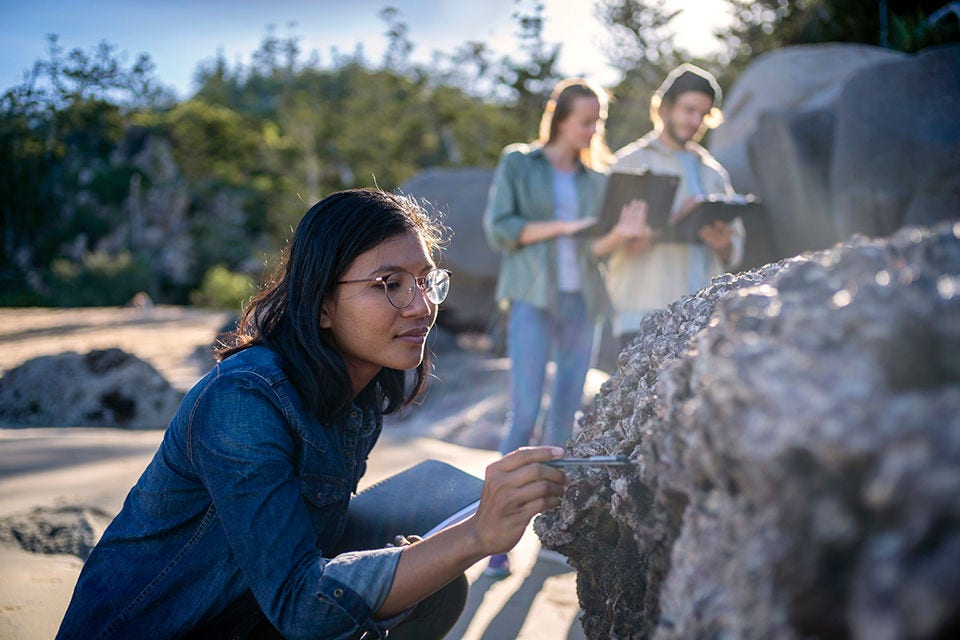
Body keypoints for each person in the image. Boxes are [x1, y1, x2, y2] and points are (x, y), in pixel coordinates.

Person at [56, 189, 569, 640]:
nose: (420, 306)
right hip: (164, 628)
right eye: (390, 283)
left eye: (425, 280)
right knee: (434, 565)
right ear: (321, 304)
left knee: (436, 585)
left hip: (247, 609)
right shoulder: (244, 402)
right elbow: (300, 608)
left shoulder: (359, 389)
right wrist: (476, 536)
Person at [482, 78, 627, 578]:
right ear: (560, 118)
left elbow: (598, 249)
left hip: (581, 303)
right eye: (586, 120)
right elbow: (500, 230)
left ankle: (553, 533)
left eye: (598, 121)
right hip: (530, 301)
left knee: (564, 421)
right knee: (523, 416)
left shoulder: (598, 181)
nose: (593, 129)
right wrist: (565, 227)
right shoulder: (519, 162)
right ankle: (496, 540)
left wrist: (624, 235)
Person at [592, 63, 745, 350]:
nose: (695, 121)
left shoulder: (713, 173)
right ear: (664, 108)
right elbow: (599, 246)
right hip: (644, 319)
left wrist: (724, 244)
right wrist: (660, 227)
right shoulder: (630, 164)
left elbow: (735, 248)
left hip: (704, 318)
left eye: (703, 114)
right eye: (689, 110)